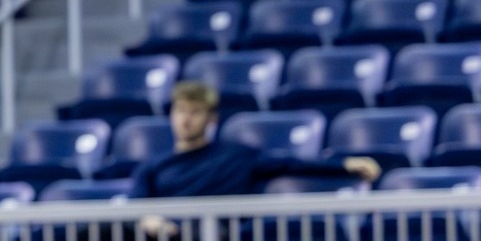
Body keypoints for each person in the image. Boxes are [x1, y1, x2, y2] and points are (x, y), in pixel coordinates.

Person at [132, 81, 381, 201]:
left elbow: (290, 164)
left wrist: (344, 165)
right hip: (158, 237)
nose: (186, 119)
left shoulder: (236, 157)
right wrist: (148, 219)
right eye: (180, 111)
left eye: (195, 112)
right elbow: (134, 204)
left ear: (211, 119)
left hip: (211, 237)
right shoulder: (153, 166)